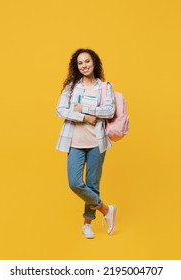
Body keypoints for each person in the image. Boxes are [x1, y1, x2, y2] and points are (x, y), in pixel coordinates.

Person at [56, 48, 117, 239]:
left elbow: (109, 111)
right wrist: (84, 117)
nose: (84, 65)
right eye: (80, 63)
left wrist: (85, 108)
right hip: (74, 142)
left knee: (92, 183)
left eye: (87, 61)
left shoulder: (105, 87)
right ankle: (106, 210)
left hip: (97, 142)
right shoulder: (71, 87)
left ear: (94, 62)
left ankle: (87, 224)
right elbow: (61, 110)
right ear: (76, 66)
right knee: (75, 183)